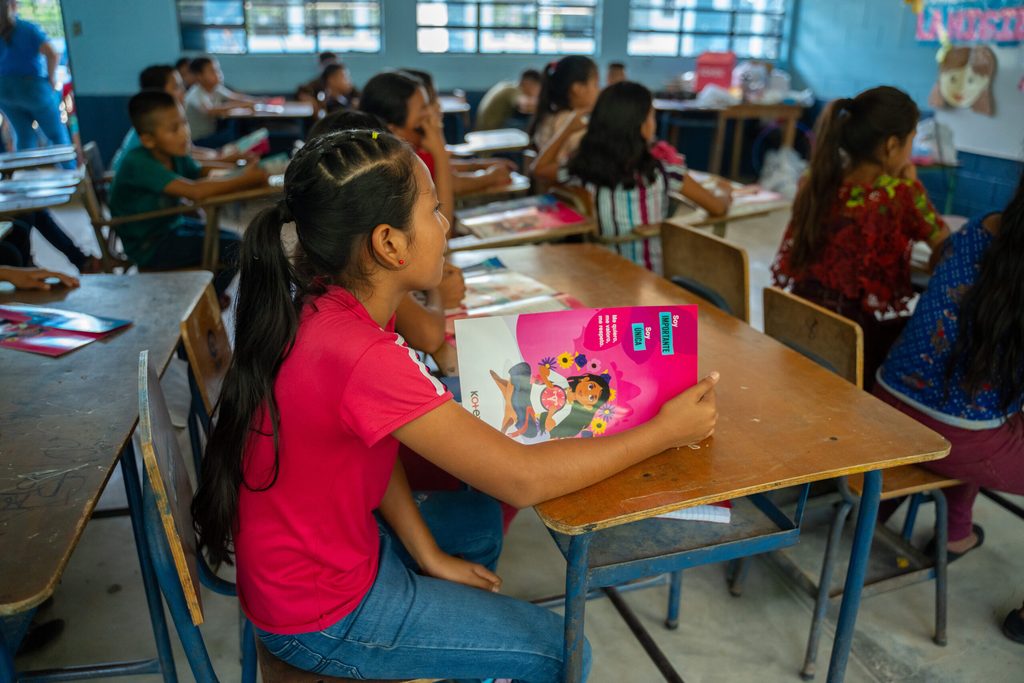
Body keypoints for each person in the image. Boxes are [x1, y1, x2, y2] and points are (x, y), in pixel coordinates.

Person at [191, 128, 719, 681]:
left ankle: (464, 652)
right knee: (564, 653)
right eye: (435, 211)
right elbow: (521, 479)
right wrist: (664, 430)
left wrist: (428, 554)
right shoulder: (359, 352)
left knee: (479, 522)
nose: (445, 227)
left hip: (325, 560)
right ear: (389, 244)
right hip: (321, 616)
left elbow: (375, 446)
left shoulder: (336, 305)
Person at [873, 172, 1024, 564]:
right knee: (981, 410)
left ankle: (956, 533)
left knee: (977, 393)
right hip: (951, 435)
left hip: (887, 400)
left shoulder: (982, 227)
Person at [770, 86, 950, 389]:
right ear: (892, 146)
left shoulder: (816, 181)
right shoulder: (900, 194)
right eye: (911, 140)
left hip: (801, 324)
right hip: (857, 337)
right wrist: (914, 189)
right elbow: (947, 250)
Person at [108, 90, 267, 293]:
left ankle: (207, 296)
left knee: (233, 240)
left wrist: (238, 168)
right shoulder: (138, 162)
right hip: (149, 246)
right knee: (234, 248)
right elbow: (196, 192)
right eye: (174, 129)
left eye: (184, 123)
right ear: (148, 140)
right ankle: (208, 301)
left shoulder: (173, 153)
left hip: (170, 225)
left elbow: (201, 169)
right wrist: (246, 179)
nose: (185, 132)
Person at [565, 81, 731, 273]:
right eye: (652, 115)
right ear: (642, 126)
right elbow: (717, 208)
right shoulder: (660, 170)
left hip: (594, 277)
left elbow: (541, 169)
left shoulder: (576, 166)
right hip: (649, 284)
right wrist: (723, 191)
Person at [111, 64, 249, 173]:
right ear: (160, 95)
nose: (184, 92)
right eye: (177, 87)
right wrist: (222, 159)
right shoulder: (150, 133)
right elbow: (189, 165)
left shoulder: (166, 123)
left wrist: (219, 156)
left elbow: (190, 153)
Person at [398, 68, 514, 197]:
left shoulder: (420, 144)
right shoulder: (409, 152)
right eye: (428, 103)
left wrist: (480, 165)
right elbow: (453, 183)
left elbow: (443, 168)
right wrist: (491, 177)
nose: (438, 105)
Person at [359, 70, 454, 224]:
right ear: (393, 130)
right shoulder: (395, 174)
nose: (431, 116)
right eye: (422, 114)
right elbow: (443, 231)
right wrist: (440, 154)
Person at [0, 0, 70, 150]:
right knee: (57, 135)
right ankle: (70, 170)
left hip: (4, 92)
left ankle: (26, 171)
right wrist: (51, 78)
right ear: (13, 5)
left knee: (23, 135)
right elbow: (52, 53)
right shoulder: (27, 29)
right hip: (32, 88)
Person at [529, 56, 600, 185]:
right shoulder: (569, 121)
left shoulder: (550, 115)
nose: (598, 91)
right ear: (577, 88)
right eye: (595, 84)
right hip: (571, 194)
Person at [184, 56, 259, 147]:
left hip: (211, 135)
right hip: (198, 141)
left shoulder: (216, 88)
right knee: (234, 131)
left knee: (240, 130)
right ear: (200, 76)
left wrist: (257, 101)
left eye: (218, 70)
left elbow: (234, 97)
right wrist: (242, 104)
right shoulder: (196, 93)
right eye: (213, 71)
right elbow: (210, 110)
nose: (218, 74)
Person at [475, 69, 542, 131]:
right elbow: (526, 106)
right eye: (537, 88)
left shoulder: (507, 86)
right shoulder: (513, 90)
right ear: (529, 84)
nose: (537, 93)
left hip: (486, 128)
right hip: (489, 131)